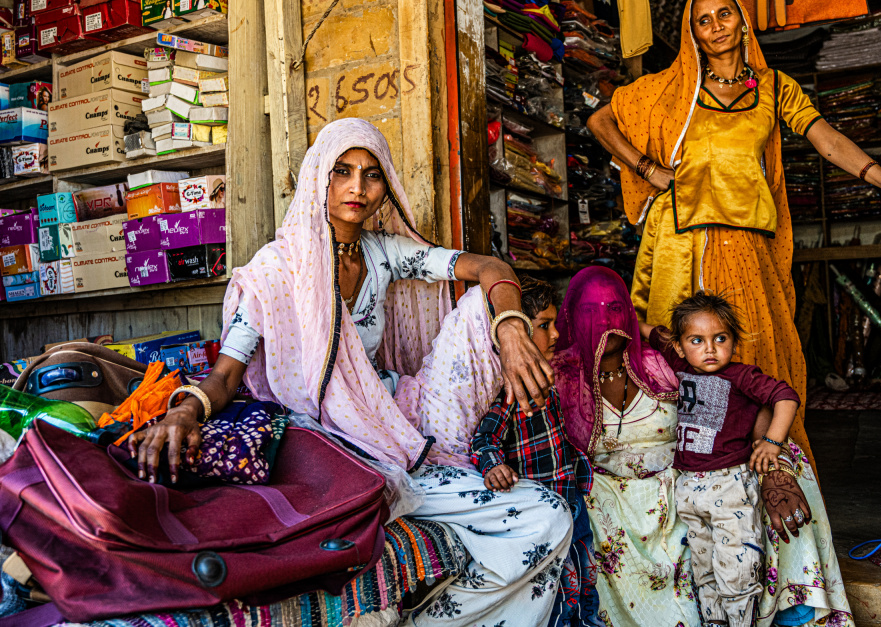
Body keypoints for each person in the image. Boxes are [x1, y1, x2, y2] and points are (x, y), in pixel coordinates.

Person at [130, 118, 573, 627]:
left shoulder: (383, 253)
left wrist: (512, 331)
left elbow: (489, 268)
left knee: (547, 513)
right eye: (342, 171)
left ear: (386, 187)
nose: (356, 188)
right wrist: (185, 410)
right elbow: (227, 374)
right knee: (546, 517)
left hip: (392, 427)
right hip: (327, 446)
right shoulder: (278, 268)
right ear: (320, 176)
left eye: (371, 174)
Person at [585, 0, 881, 465]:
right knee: (676, 361)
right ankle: (682, 481)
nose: (716, 25)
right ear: (693, 35)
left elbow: (830, 143)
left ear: (742, 22)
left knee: (754, 357)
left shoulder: (774, 87)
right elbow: (600, 121)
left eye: (725, 14)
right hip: (680, 242)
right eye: (704, 19)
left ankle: (765, 470)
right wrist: (646, 169)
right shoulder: (670, 90)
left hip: (746, 243)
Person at [553, 267, 854, 627]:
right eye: (591, 311)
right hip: (618, 498)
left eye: (615, 309)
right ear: (570, 315)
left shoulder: (657, 362)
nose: (605, 320)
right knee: (702, 567)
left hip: (693, 479)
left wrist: (772, 456)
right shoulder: (560, 376)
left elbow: (759, 400)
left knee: (770, 497)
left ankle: (787, 612)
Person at [661, 292, 801, 627]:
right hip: (688, 488)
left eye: (720, 339)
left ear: (734, 342)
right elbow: (650, 331)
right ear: (680, 347)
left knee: (736, 572)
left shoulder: (740, 376)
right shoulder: (678, 365)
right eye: (697, 340)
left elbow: (786, 396)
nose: (709, 349)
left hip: (730, 486)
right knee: (704, 571)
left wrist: (772, 442)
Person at [471, 277, 600, 627]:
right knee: (552, 588)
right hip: (542, 511)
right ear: (519, 338)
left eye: (554, 323)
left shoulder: (549, 381)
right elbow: (484, 439)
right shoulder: (510, 393)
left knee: (583, 575)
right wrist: (493, 467)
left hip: (570, 497)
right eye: (544, 325)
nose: (556, 334)